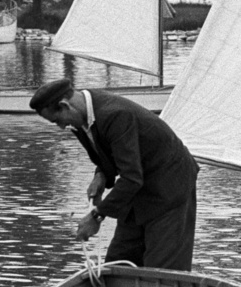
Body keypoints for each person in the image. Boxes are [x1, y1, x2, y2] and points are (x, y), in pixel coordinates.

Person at [30, 78, 198, 271]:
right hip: (138, 187)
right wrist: (101, 175)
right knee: (119, 261)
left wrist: (96, 216)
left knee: (163, 269)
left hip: (170, 188)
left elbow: (131, 178)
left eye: (57, 120)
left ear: (64, 105)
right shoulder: (82, 115)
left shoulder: (115, 115)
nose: (61, 127)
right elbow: (114, 153)